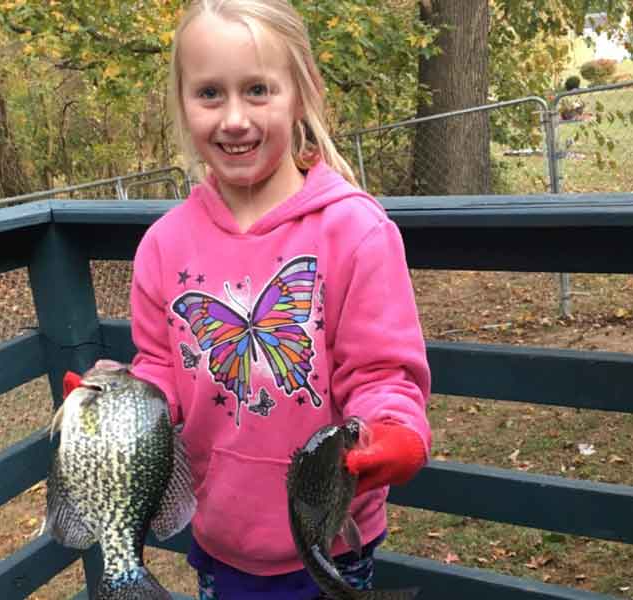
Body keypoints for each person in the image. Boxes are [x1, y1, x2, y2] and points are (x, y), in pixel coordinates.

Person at [128, 1, 432, 597]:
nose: (234, 118)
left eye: (259, 90)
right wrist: (124, 407)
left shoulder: (355, 233)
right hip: (218, 539)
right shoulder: (163, 245)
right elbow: (159, 368)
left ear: (302, 93)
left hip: (330, 543)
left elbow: (381, 376)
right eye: (209, 93)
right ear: (182, 101)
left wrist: (392, 432)